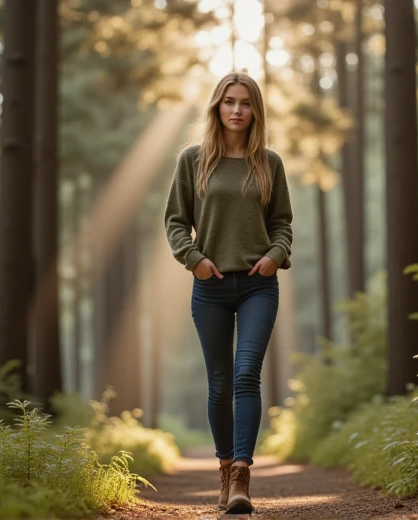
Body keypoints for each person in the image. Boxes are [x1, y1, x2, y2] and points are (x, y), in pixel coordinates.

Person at [163, 71, 294, 514]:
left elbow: (282, 224)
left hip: (260, 284)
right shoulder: (194, 159)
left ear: (256, 110)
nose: (237, 110)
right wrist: (194, 259)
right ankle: (223, 470)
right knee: (219, 384)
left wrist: (276, 254)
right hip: (211, 286)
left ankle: (241, 476)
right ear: (216, 107)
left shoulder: (269, 163)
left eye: (245, 102)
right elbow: (175, 221)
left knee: (245, 375)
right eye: (229, 102)